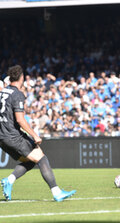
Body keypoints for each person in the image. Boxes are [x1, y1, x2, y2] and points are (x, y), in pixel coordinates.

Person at [0, 65, 76, 201]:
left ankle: (9, 180)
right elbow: (20, 119)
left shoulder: (2, 92)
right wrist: (34, 135)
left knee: (30, 161)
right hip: (13, 136)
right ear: (21, 78)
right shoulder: (17, 94)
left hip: (2, 137)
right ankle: (56, 192)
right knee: (41, 158)